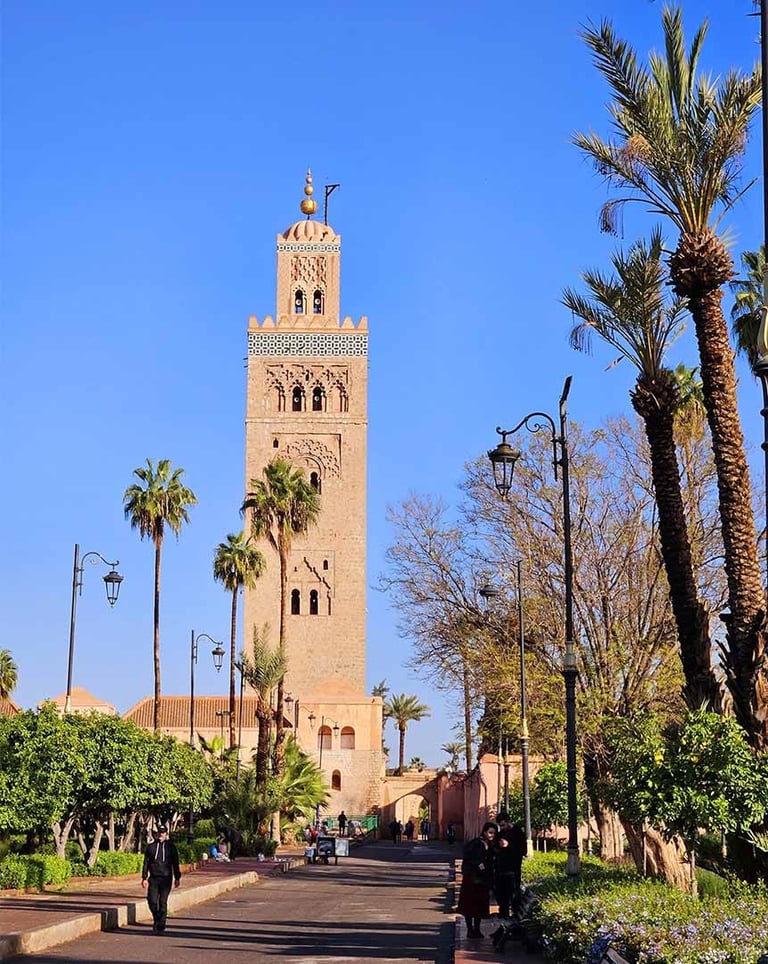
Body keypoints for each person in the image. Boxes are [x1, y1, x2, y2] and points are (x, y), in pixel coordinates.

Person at [456, 821, 497, 939]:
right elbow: (468, 856)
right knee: (469, 905)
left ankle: (477, 929)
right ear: (484, 831)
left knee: (479, 906)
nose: (491, 835)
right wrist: (477, 864)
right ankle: (470, 930)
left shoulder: (491, 845)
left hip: (483, 880)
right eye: (490, 832)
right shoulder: (475, 843)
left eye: (493, 833)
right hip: (472, 879)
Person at [141, 825, 181, 935]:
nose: (160, 835)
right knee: (152, 901)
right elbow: (146, 863)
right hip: (153, 878)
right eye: (159, 832)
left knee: (162, 902)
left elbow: (175, 863)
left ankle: (161, 925)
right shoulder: (151, 847)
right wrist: (144, 877)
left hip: (166, 878)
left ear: (166, 834)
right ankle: (157, 918)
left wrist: (177, 878)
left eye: (163, 833)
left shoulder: (171, 847)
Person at [493, 810, 527, 919]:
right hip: (500, 869)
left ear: (508, 822)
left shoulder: (518, 832)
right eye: (500, 826)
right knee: (500, 893)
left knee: (513, 893)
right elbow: (495, 847)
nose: (501, 827)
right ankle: (504, 913)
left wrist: (508, 845)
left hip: (513, 869)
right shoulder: (501, 833)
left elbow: (523, 851)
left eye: (503, 825)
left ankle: (516, 915)